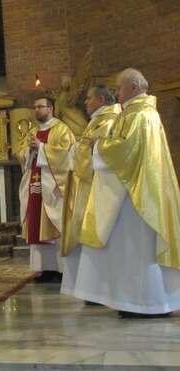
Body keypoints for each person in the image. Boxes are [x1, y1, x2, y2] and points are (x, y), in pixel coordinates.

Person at [72, 68, 180, 317]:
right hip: (135, 189)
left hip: (138, 195)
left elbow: (124, 150)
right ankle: (135, 302)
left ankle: (146, 304)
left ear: (133, 87)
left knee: (138, 250)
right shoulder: (136, 113)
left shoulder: (140, 115)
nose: (117, 93)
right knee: (132, 251)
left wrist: (98, 145)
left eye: (119, 88)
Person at [60, 86, 120, 297]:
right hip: (88, 184)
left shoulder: (109, 120)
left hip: (98, 186)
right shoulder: (97, 120)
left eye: (88, 98)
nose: (85, 102)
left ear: (101, 99)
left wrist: (79, 149)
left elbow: (100, 152)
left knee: (95, 234)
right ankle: (92, 288)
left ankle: (99, 288)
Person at [15, 96, 74, 281]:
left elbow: (67, 155)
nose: (36, 110)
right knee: (35, 223)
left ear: (50, 109)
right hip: (34, 182)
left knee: (54, 222)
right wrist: (29, 151)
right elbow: (21, 154)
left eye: (40, 106)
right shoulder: (32, 131)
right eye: (35, 107)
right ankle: (43, 268)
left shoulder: (62, 129)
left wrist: (42, 148)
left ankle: (60, 268)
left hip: (53, 185)